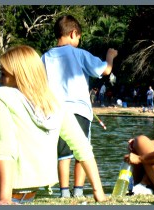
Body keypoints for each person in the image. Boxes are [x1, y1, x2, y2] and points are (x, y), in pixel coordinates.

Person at [0, 45, 107, 205]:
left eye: (4, 74)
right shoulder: (54, 104)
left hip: (3, 194)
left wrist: (4, 199)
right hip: (28, 196)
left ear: (20, 75)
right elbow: (82, 147)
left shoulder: (2, 96)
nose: (0, 80)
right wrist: (98, 191)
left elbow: (5, 148)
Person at [41, 15, 118, 198]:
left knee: (63, 154)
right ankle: (78, 191)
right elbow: (106, 70)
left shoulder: (44, 57)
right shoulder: (80, 54)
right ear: (74, 33)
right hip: (80, 111)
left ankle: (64, 193)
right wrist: (110, 56)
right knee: (82, 150)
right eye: (79, 37)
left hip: (55, 112)